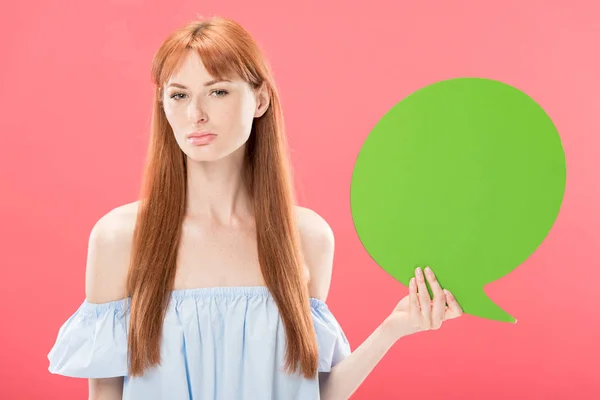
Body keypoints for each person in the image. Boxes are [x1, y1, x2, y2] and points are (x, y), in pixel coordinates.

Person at [47, 16, 463, 400]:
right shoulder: (121, 238)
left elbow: (312, 391)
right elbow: (104, 393)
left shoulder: (307, 238)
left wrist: (393, 330)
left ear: (260, 99)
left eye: (218, 91)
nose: (196, 114)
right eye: (178, 94)